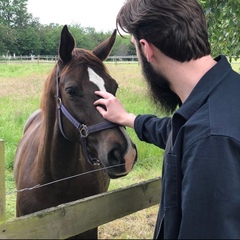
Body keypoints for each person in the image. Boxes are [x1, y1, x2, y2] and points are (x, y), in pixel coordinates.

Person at [94, 0, 240, 239]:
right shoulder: (225, 94)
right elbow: (178, 131)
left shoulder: (211, 140)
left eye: (135, 48)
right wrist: (127, 118)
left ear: (147, 49)